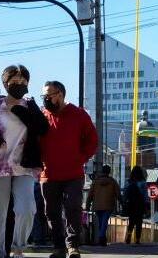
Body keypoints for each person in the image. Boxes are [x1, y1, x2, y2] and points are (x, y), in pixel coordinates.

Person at [0, 65, 49, 258]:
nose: (20, 84)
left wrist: (23, 113)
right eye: (15, 81)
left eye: (23, 81)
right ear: (6, 84)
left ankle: (18, 247)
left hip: (24, 166)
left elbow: (43, 128)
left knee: (27, 208)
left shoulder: (30, 105)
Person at [39, 81, 98, 258]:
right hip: (48, 175)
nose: (46, 99)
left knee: (73, 208)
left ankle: (73, 246)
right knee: (51, 212)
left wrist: (80, 158)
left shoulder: (79, 115)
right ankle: (58, 247)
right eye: (44, 96)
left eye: (49, 95)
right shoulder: (42, 116)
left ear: (60, 94)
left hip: (73, 174)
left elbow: (92, 140)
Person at [85, 164, 121, 246]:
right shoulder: (113, 182)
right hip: (109, 205)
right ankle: (102, 237)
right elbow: (118, 194)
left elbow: (90, 195)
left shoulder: (95, 182)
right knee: (104, 221)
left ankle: (102, 237)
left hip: (97, 205)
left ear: (102, 171)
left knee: (101, 222)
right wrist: (122, 203)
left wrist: (87, 206)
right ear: (109, 172)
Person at [124, 165, 147, 244]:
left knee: (131, 221)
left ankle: (129, 236)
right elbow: (145, 195)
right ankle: (137, 239)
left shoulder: (129, 182)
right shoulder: (143, 182)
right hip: (140, 204)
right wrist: (146, 205)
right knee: (139, 222)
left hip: (131, 204)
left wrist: (124, 202)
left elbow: (125, 193)